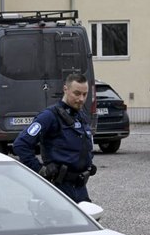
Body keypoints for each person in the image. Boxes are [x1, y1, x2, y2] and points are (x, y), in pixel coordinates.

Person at [12, 73, 96, 203]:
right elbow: (20, 145)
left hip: (80, 188)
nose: (81, 99)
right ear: (65, 89)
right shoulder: (49, 116)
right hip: (58, 188)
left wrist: (88, 163)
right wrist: (40, 170)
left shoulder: (81, 116)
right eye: (77, 93)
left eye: (85, 94)